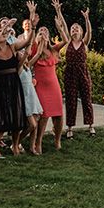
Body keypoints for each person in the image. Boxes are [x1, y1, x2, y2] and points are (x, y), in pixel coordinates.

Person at [0, 3, 37, 158]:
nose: (3, 34)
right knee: (2, 117)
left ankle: (13, 146)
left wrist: (32, 26)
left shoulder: (12, 47)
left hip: (13, 82)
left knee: (16, 116)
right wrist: (2, 32)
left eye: (4, 33)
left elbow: (26, 43)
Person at [55, 1, 95, 138]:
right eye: (73, 28)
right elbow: (64, 26)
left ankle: (91, 126)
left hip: (83, 72)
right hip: (70, 73)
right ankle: (70, 128)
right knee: (71, 101)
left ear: (81, 31)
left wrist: (86, 18)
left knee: (87, 99)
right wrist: (58, 11)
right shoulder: (67, 42)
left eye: (77, 28)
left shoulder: (85, 42)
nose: (74, 30)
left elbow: (89, 31)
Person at [31, 19, 67, 154]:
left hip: (54, 86)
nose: (43, 32)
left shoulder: (53, 49)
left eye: (45, 31)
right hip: (40, 86)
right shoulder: (34, 48)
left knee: (58, 115)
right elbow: (28, 62)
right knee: (44, 115)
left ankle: (57, 140)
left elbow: (65, 40)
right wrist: (38, 43)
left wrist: (60, 28)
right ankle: (38, 142)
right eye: (41, 31)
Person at [16, 18, 42, 154]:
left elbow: (37, 53)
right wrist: (32, 26)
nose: (24, 54)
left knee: (36, 120)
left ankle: (32, 147)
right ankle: (17, 142)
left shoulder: (27, 66)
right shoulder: (19, 67)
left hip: (32, 95)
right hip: (25, 97)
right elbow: (27, 50)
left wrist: (42, 42)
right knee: (32, 124)